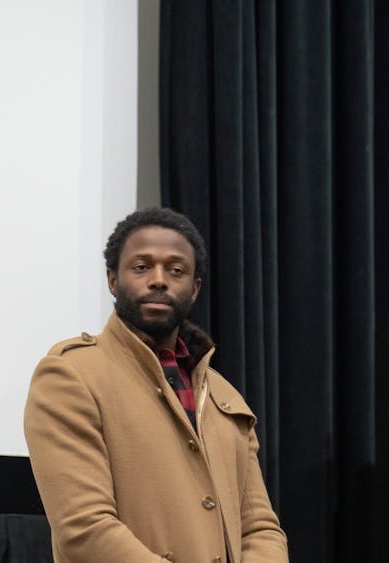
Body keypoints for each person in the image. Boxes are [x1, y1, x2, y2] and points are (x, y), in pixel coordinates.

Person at [24, 208, 287, 563]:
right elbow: (85, 528)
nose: (159, 280)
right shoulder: (71, 376)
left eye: (176, 270)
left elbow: (260, 528)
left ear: (194, 289)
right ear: (112, 280)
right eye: (141, 267)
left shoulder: (224, 395)